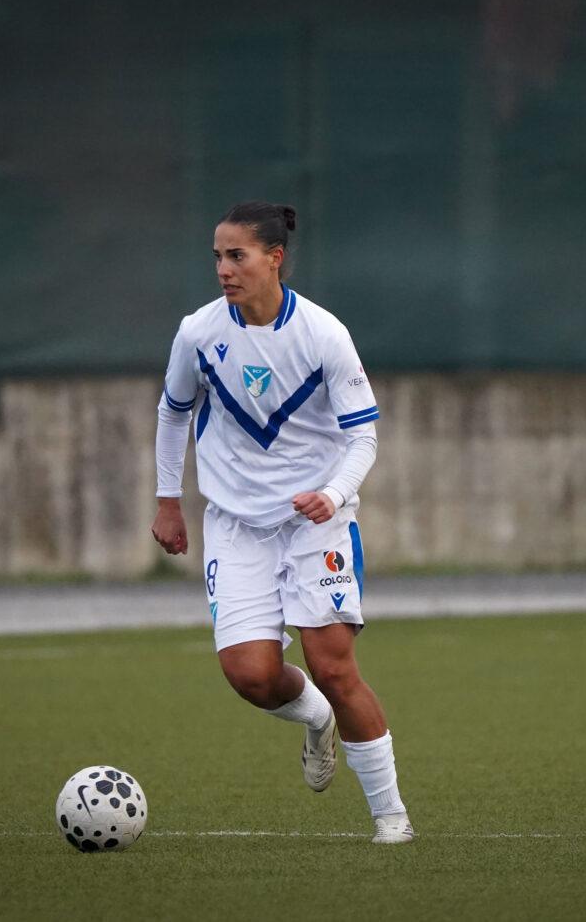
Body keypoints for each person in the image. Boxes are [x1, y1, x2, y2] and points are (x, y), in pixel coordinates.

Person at [150, 201, 413, 844]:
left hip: (315, 523)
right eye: (217, 256)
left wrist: (333, 493)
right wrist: (167, 499)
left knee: (334, 668)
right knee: (252, 676)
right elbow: (173, 410)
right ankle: (316, 719)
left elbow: (363, 437)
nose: (223, 269)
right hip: (235, 525)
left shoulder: (324, 334)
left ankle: (391, 819)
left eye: (236, 255)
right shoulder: (198, 333)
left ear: (274, 258)